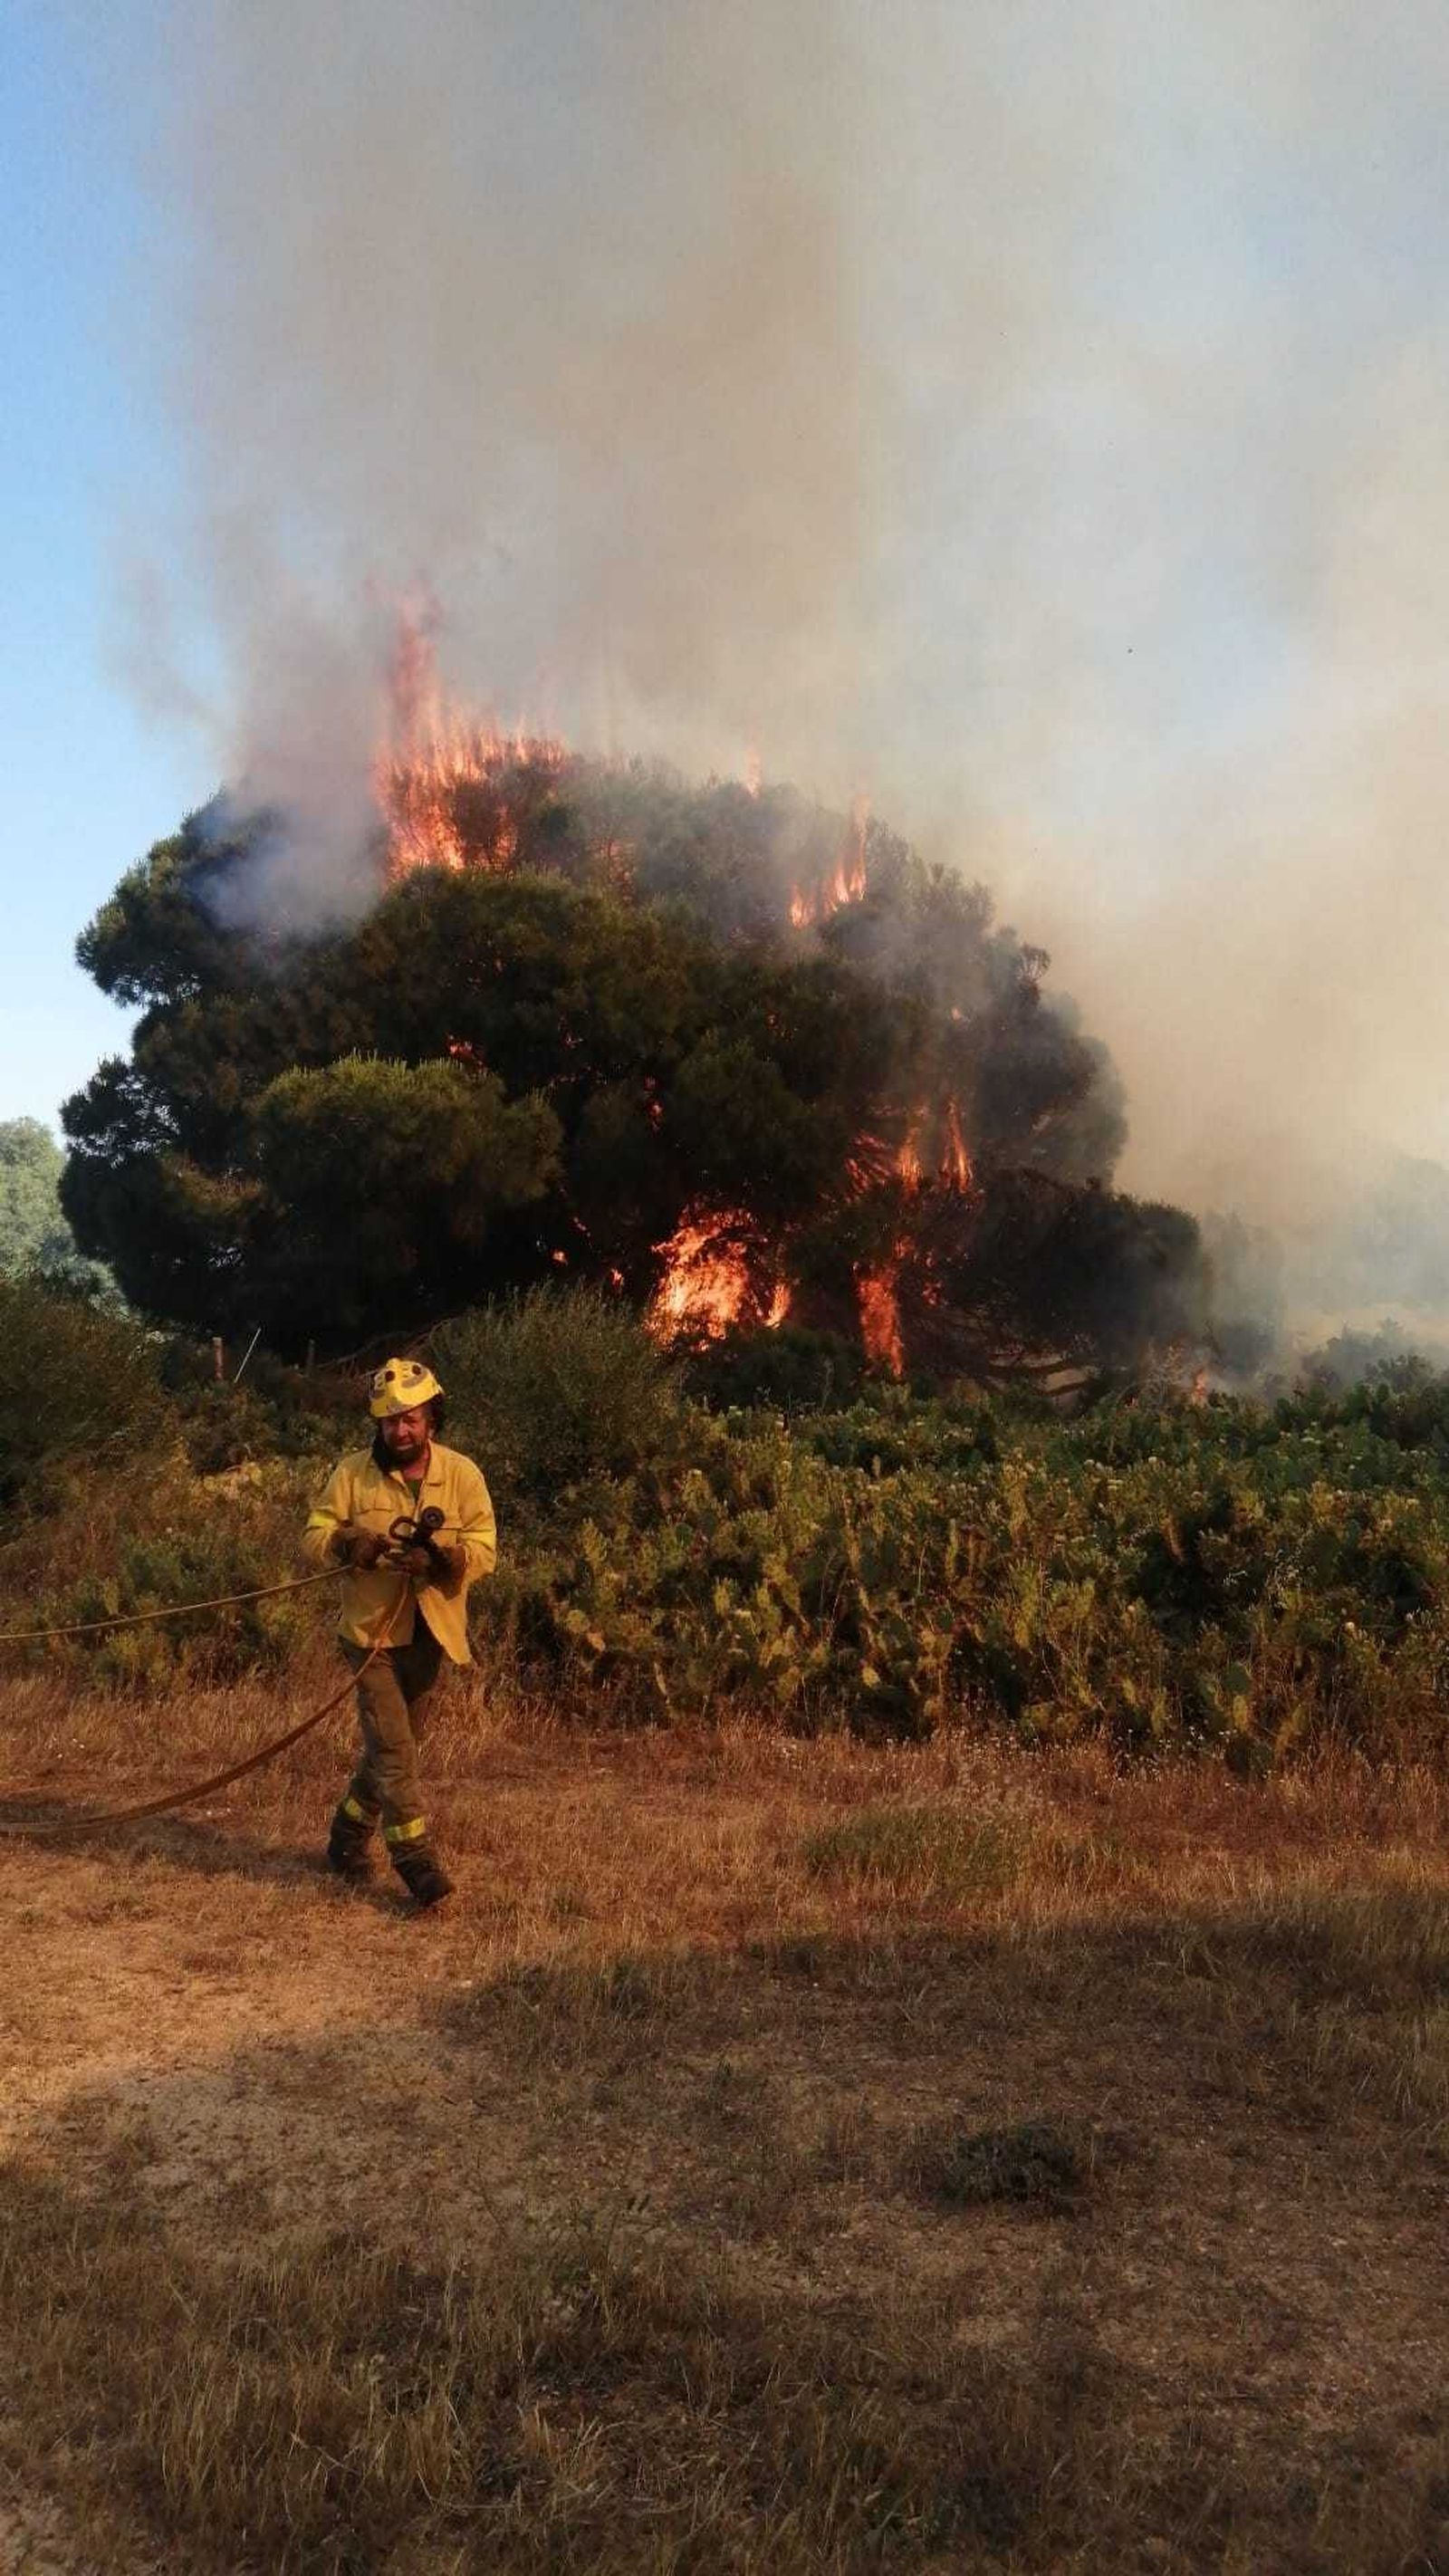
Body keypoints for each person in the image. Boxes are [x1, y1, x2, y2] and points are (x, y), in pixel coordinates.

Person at [302, 1355, 496, 1907]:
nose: (401, 1430)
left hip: (431, 1632)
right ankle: (415, 1863)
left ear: (431, 1417)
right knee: (395, 1751)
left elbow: (486, 1547)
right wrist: (349, 1544)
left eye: (411, 1418)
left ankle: (345, 1838)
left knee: (395, 1746)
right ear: (378, 1425)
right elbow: (315, 1533)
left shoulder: (462, 1474)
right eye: (390, 1421)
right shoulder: (351, 1473)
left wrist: (444, 1563)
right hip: (370, 1637)